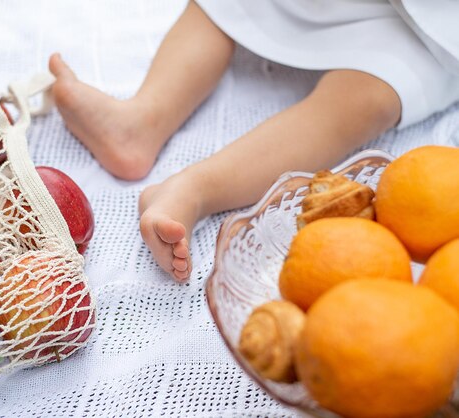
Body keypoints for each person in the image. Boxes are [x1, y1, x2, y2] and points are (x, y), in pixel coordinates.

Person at [48, 0, 459, 282]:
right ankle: (141, 120)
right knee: (222, 7)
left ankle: (196, 189)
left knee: (368, 96)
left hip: (431, 23)